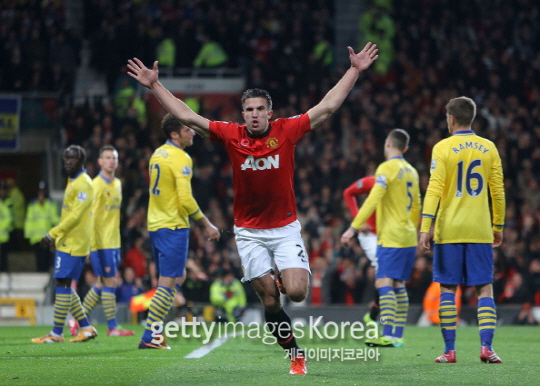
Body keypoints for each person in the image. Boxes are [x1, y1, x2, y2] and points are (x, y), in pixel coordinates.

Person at [127, 41, 378, 375]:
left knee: (299, 293)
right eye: (249, 110)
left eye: (260, 109)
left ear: (269, 112)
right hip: (249, 233)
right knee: (270, 300)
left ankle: (284, 279)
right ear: (242, 113)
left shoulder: (287, 130)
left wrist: (354, 70)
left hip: (285, 228)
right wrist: (155, 85)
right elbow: (187, 116)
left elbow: (327, 107)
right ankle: (295, 355)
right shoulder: (231, 136)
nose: (255, 114)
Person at [419, 96, 505, 364]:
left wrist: (425, 227)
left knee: (447, 289)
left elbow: (434, 189)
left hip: (450, 230)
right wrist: (498, 225)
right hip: (480, 229)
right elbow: (498, 191)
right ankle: (486, 348)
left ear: (451, 118)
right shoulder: (488, 147)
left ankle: (450, 350)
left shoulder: (442, 148)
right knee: (484, 289)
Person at [138, 113, 220, 349]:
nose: (193, 132)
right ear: (175, 134)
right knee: (168, 281)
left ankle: (154, 331)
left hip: (156, 225)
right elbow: (185, 198)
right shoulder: (181, 158)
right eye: (187, 129)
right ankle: (151, 335)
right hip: (173, 226)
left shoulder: (157, 154)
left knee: (178, 276)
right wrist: (206, 223)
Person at [341, 129, 420, 348]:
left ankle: (386, 333)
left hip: (391, 236)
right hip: (408, 235)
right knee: (399, 283)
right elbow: (417, 204)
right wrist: (415, 229)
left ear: (387, 144)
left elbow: (373, 198)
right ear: (405, 148)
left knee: (383, 281)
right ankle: (397, 335)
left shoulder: (386, 168)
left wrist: (353, 228)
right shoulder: (412, 171)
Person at [32, 145, 98, 344]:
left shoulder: (84, 183)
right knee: (65, 285)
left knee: (62, 283)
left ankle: (56, 333)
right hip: (68, 241)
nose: (68, 162)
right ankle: (86, 328)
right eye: (65, 159)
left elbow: (76, 216)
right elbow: (70, 215)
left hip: (74, 243)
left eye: (72, 159)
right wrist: (59, 239)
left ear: (81, 161)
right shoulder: (73, 181)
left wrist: (52, 234)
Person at [70, 145, 134, 337]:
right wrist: (90, 244)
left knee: (102, 283)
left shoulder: (117, 184)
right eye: (107, 157)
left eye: (114, 158)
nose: (111, 161)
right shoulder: (96, 185)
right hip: (101, 242)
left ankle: (76, 320)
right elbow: (89, 215)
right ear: (99, 161)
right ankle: (112, 327)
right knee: (109, 282)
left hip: (114, 241)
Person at [343, 176, 380, 324]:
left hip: (389, 233)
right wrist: (358, 219)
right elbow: (348, 192)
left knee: (391, 274)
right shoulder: (372, 181)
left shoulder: (402, 183)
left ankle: (375, 312)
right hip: (369, 234)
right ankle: (376, 313)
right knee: (383, 267)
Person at [24, 181, 59, 272]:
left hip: (47, 237)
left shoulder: (50, 204)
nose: (41, 194)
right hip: (36, 237)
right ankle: (40, 271)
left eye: (43, 192)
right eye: (40, 192)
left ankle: (45, 271)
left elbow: (55, 219)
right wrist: (28, 235)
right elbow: (29, 221)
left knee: (46, 257)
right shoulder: (33, 205)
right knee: (39, 256)